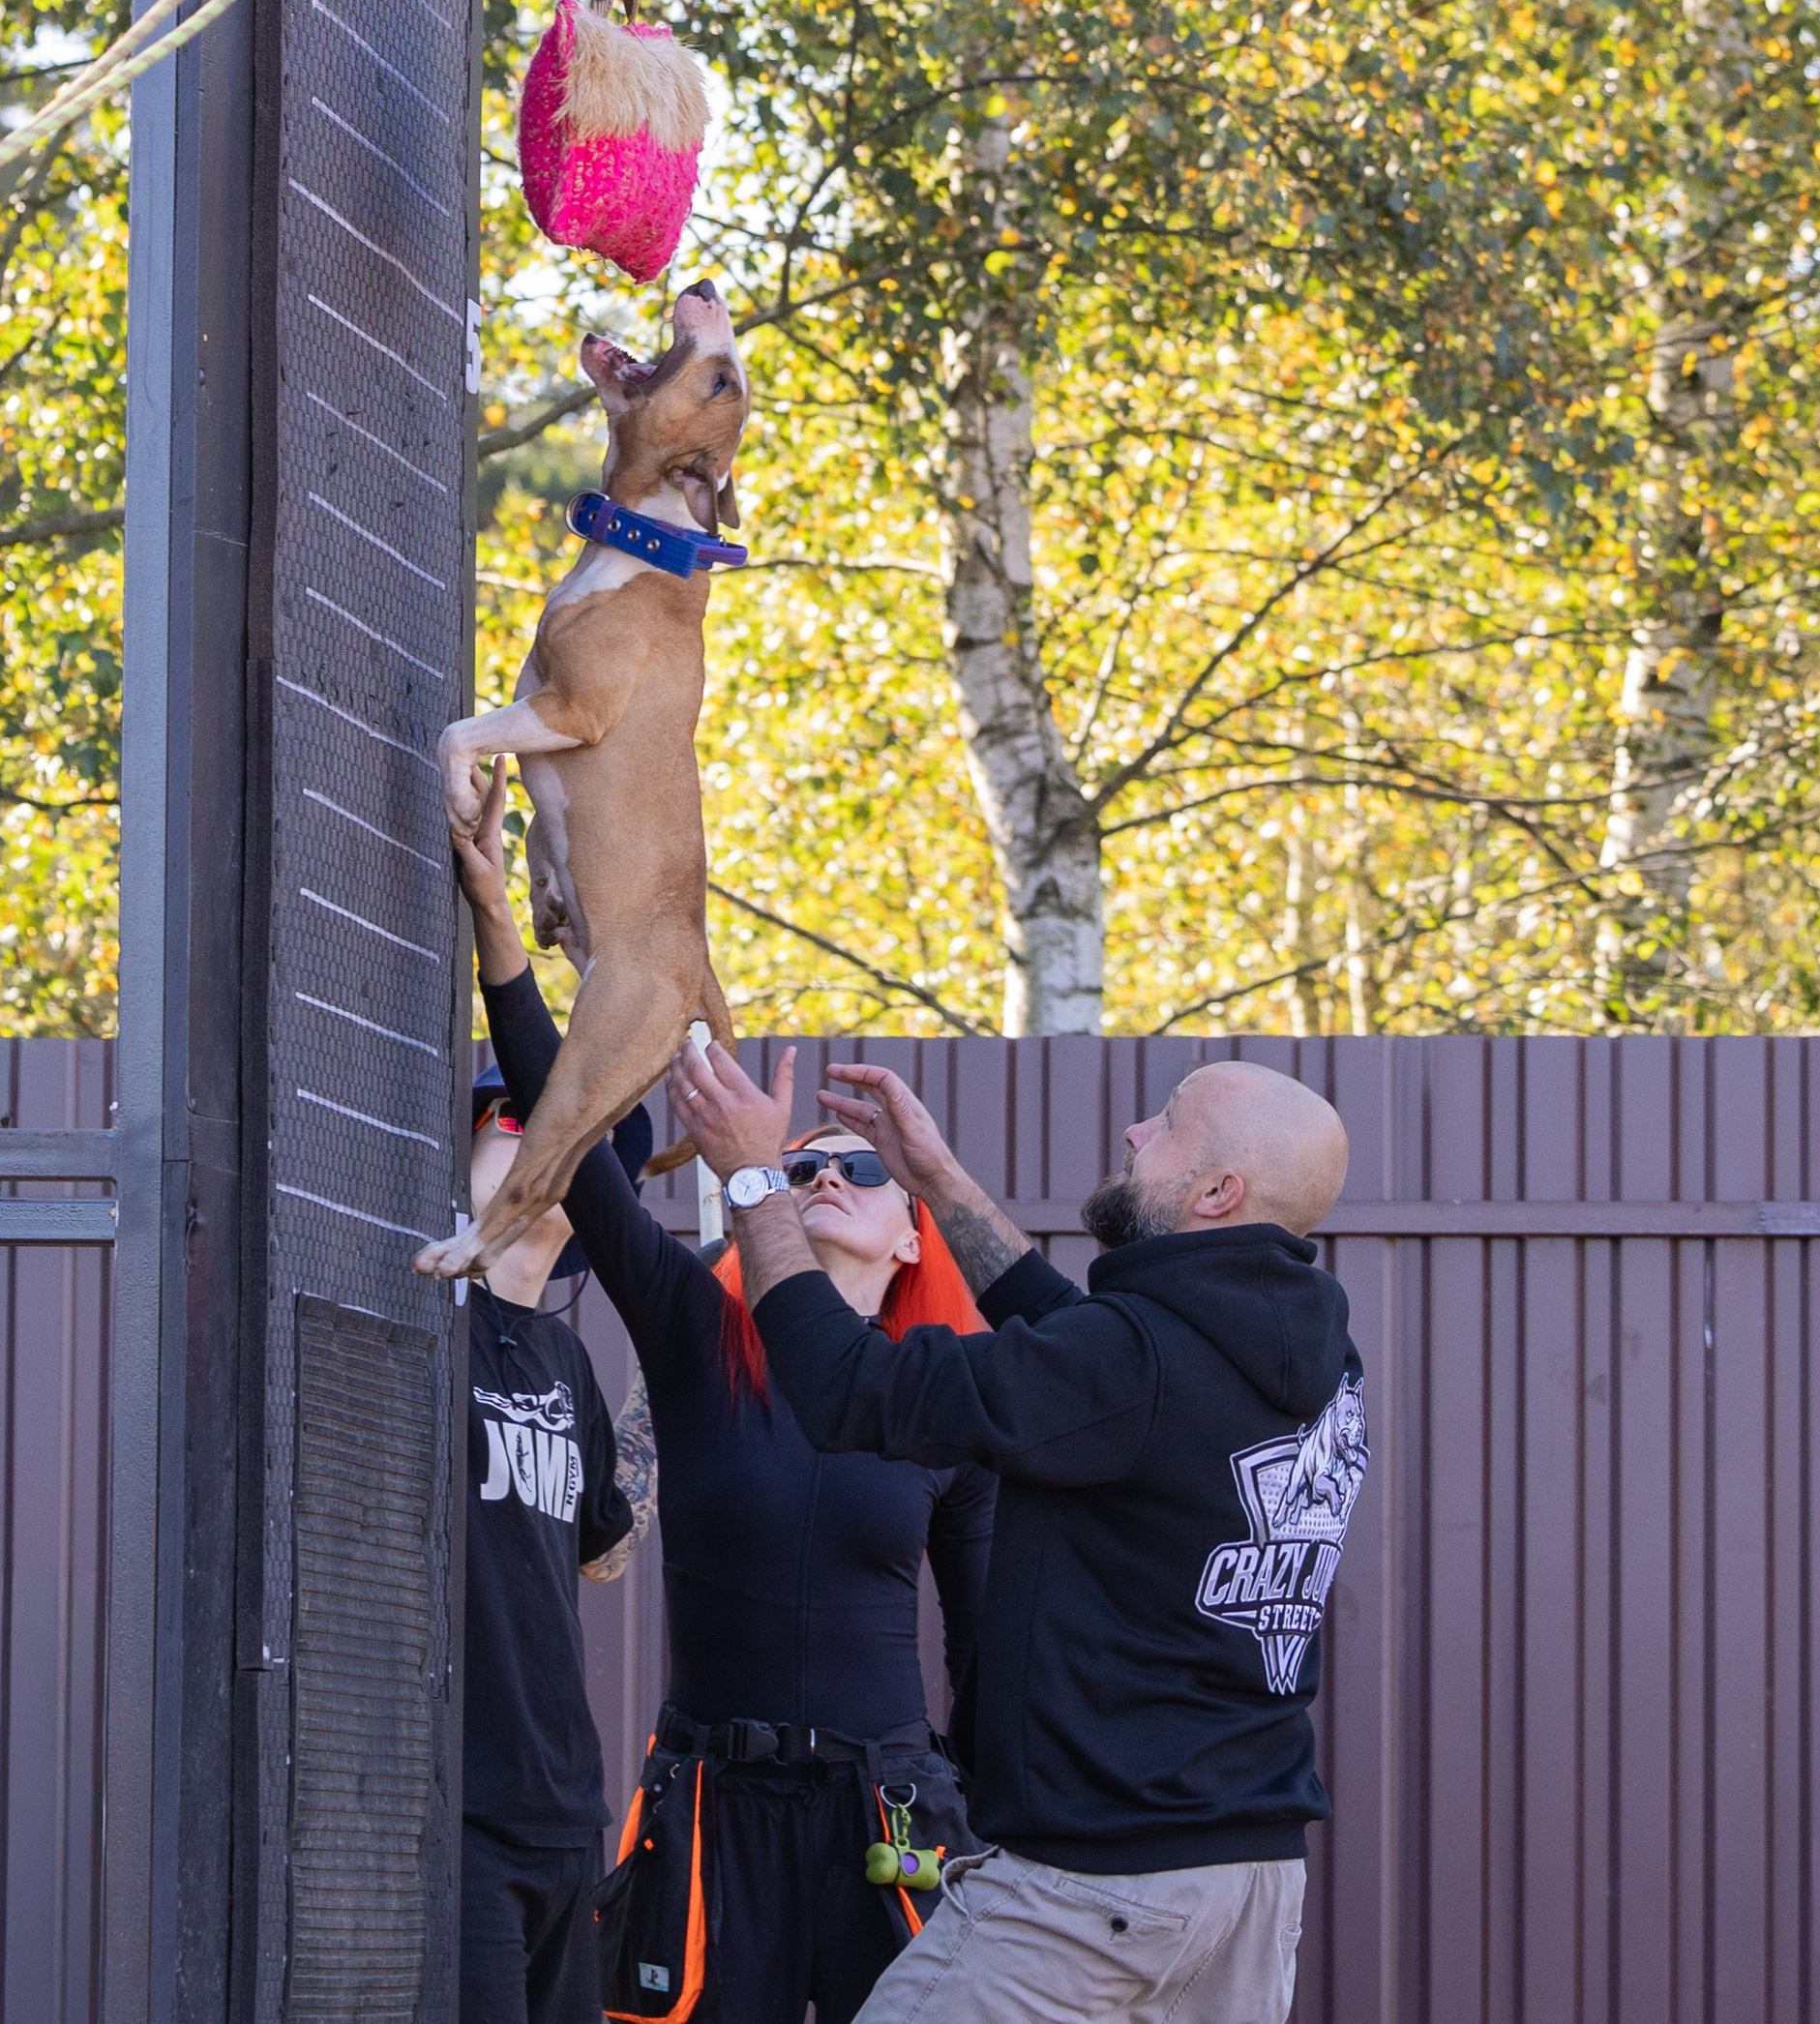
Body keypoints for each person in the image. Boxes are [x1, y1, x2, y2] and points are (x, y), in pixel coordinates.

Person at [433, 769, 997, 2024]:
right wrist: (503, 941)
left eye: (859, 1169)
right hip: (712, 1806)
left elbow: (986, 1645)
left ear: (913, 1233)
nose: (824, 1177)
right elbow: (575, 1155)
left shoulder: (946, 1394)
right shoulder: (699, 1335)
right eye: (798, 1167)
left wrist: (995, 1827)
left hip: (890, 1813)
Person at [670, 1032, 1364, 2024]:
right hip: (1247, 1886)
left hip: (1095, 1887)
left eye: (1167, 1125)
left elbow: (845, 1387)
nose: (1134, 1132)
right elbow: (1075, 1342)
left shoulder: (1130, 1367)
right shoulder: (1316, 1363)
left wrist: (752, 1182)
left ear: (1218, 1193)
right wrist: (938, 1182)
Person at [460, 1061, 642, 2024]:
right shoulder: (411, 1325)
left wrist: (672, 1381)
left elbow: (602, 1553)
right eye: (524, 1113)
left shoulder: (566, 1358)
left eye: (590, 1128)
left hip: (565, 1807)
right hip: (448, 1804)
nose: (561, 1131)